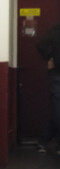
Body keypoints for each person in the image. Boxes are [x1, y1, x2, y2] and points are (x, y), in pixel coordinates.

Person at [36, 22, 60, 153]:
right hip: (57, 73)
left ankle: (44, 140)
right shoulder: (57, 29)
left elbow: (41, 44)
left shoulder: (56, 29)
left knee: (58, 109)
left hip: (56, 72)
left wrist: (51, 57)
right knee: (58, 109)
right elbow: (41, 44)